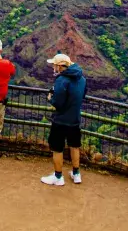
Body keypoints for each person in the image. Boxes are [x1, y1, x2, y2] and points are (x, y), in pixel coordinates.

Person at [40, 53, 87, 186]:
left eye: (54, 65)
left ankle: (58, 177)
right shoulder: (82, 79)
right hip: (75, 119)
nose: (53, 67)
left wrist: (50, 98)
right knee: (74, 146)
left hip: (61, 120)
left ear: (60, 67)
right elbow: (83, 94)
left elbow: (58, 103)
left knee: (57, 148)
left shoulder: (62, 80)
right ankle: (76, 174)